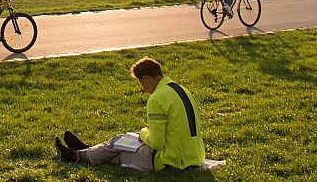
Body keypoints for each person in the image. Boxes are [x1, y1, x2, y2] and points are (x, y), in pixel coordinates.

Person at [54, 57, 205, 171]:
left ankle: (76, 155)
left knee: (120, 148)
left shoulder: (157, 98)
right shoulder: (182, 90)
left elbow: (156, 142)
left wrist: (143, 133)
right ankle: (87, 151)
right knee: (121, 143)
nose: (143, 87)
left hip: (171, 160)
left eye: (140, 82)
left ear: (146, 78)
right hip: (193, 155)